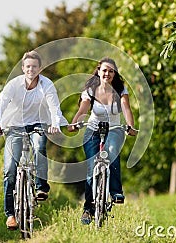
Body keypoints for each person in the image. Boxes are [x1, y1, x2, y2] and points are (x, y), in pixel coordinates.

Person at [0, 50, 67, 230]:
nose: (31, 69)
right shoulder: (13, 85)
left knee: (39, 146)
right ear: (23, 68)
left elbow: (54, 108)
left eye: (34, 66)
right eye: (28, 66)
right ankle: (10, 215)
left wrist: (55, 124)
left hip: (38, 124)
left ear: (39, 68)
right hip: (14, 126)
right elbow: (0, 106)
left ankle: (41, 187)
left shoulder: (46, 85)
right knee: (9, 169)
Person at [67, 57, 137, 225]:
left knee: (111, 154)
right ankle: (88, 209)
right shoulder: (91, 89)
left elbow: (126, 108)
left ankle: (115, 192)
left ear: (115, 74)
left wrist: (130, 126)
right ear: (98, 71)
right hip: (93, 129)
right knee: (92, 168)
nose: (107, 74)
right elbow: (83, 108)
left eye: (111, 71)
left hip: (114, 129)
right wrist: (75, 122)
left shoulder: (121, 89)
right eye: (104, 70)